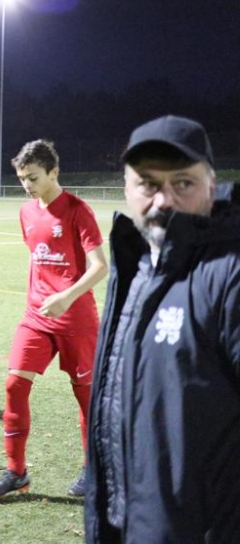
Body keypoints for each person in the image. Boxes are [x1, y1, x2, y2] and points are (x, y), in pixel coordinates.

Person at [84, 115, 240, 542]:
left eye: (183, 183)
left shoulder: (230, 274)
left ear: (211, 186)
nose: (164, 199)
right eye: (148, 184)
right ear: (126, 189)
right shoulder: (138, 266)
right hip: (126, 522)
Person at [0, 139, 109, 499]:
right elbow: (37, 258)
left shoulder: (78, 211)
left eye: (33, 177)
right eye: (22, 178)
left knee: (86, 398)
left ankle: (94, 469)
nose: (27, 185)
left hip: (76, 319)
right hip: (36, 317)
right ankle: (15, 472)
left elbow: (100, 266)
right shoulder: (26, 212)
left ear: (54, 172)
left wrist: (66, 297)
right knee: (14, 385)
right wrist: (40, 297)